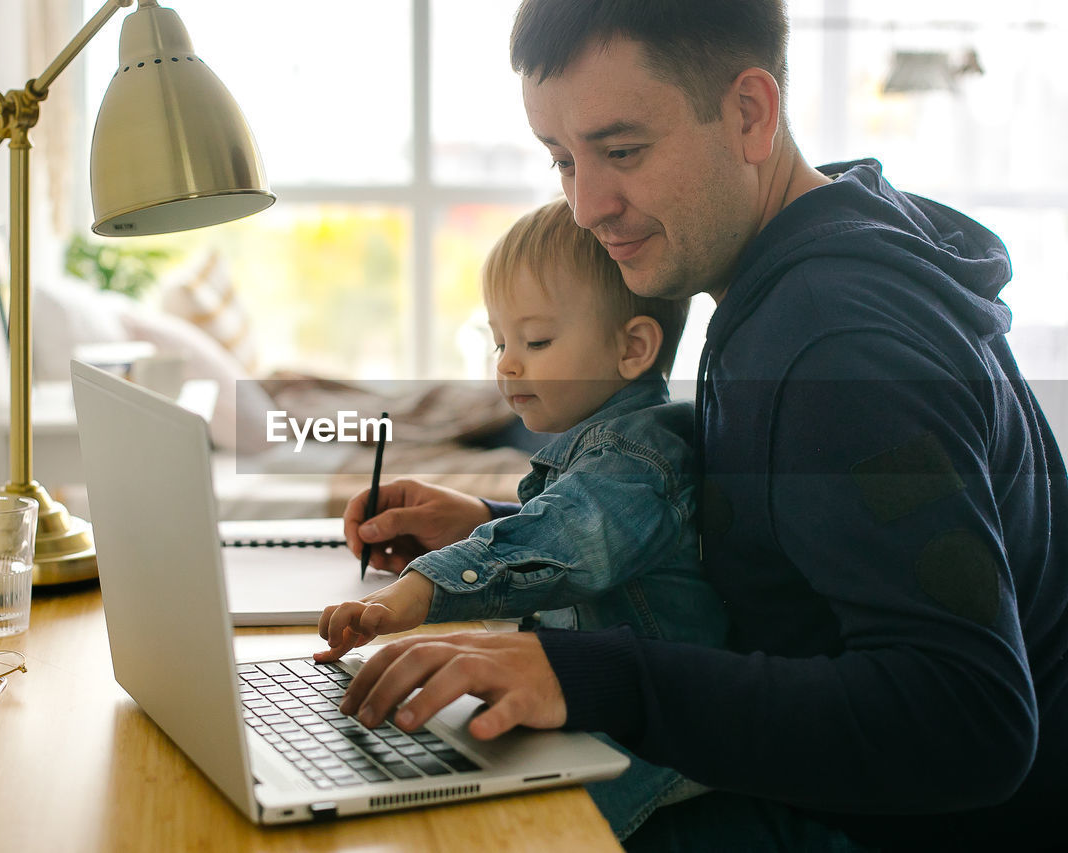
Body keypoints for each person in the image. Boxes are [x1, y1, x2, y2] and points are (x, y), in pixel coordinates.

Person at [330, 1, 1068, 850]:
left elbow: (968, 722)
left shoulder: (838, 343)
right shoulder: (791, 274)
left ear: (749, 113)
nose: (585, 205)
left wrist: (588, 676)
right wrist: (497, 534)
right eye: (563, 159)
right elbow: (781, 558)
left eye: (622, 151)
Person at [316, 199, 726, 837]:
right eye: (500, 339)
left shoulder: (638, 457)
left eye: (535, 341)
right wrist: (480, 515)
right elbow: (563, 517)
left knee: (515, 832)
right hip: (600, 701)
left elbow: (571, 537)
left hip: (657, 737)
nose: (506, 364)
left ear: (634, 347)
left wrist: (418, 591)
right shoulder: (602, 447)